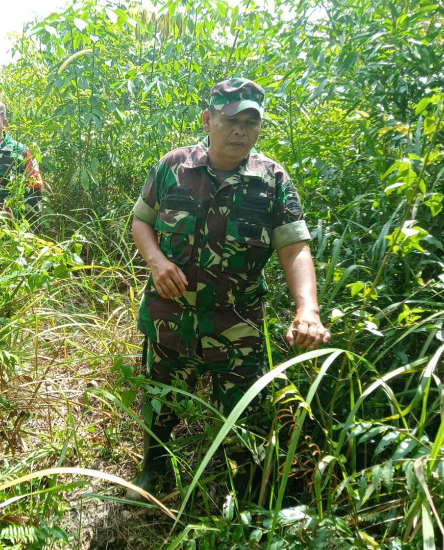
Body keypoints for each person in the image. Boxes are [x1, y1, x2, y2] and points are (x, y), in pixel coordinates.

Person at [128, 77, 331, 498]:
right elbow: (141, 219)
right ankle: (154, 470)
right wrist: (157, 261)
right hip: (170, 316)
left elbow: (294, 247)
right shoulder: (173, 166)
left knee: (241, 413)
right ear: (208, 119)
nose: (239, 130)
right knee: (160, 399)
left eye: (250, 122)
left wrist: (307, 309)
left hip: (235, 324)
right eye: (229, 119)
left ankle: (240, 491)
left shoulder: (272, 180)